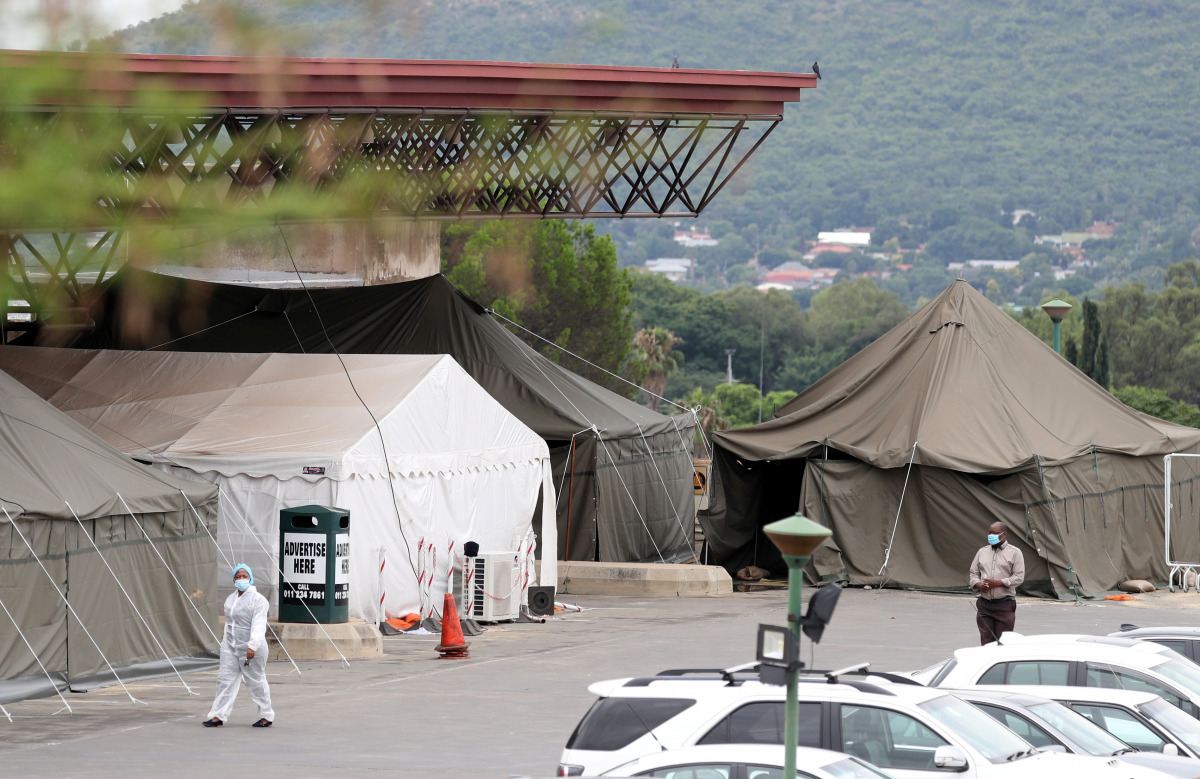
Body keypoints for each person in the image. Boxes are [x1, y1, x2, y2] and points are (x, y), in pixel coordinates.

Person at [203, 563, 274, 727]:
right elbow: (230, 623)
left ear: (250, 578)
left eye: (245, 576)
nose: (241, 579)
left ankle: (266, 715)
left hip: (251, 648)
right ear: (234, 579)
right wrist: (225, 644)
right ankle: (218, 716)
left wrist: (253, 646)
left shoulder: (258, 601)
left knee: (255, 681)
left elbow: (259, 624)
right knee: (225, 679)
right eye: (238, 576)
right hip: (231, 646)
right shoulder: (231, 599)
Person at [969, 521, 1025, 646]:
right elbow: (973, 573)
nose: (991, 536)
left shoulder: (1015, 553)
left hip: (1004, 605)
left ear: (1003, 535)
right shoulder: (982, 552)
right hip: (984, 605)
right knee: (986, 642)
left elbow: (1019, 577)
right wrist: (978, 585)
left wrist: (999, 583)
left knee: (1003, 643)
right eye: (989, 533)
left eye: (994, 533)